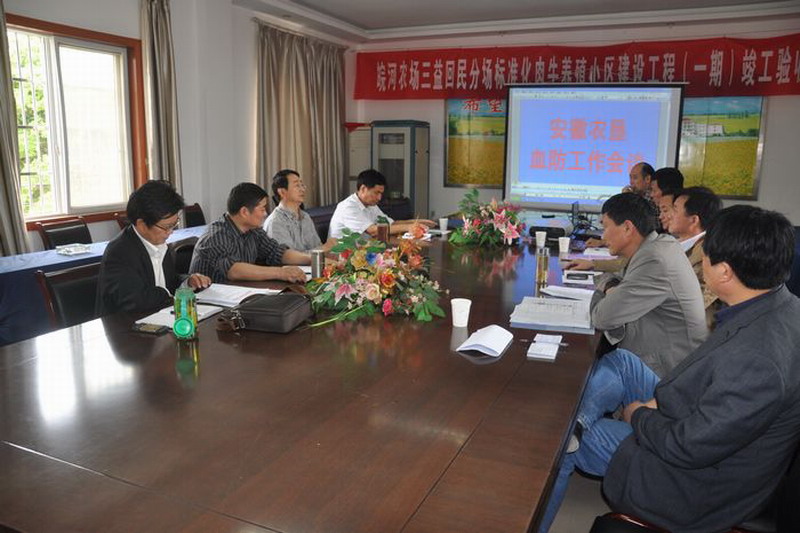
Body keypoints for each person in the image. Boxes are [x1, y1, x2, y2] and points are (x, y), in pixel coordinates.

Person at [539, 205, 800, 533]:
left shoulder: (758, 360)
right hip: (699, 420)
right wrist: (658, 403)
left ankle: (568, 443)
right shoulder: (780, 307)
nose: (700, 265)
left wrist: (639, 415)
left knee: (557, 444)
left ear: (724, 272)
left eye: (706, 257)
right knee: (623, 362)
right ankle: (578, 424)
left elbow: (688, 445)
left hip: (694, 482)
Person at [588, 193, 707, 377]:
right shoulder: (656, 246)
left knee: (581, 377)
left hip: (669, 373)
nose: (603, 235)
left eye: (605, 227)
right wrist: (611, 285)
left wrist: (606, 287)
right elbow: (614, 278)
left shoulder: (655, 259)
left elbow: (602, 318)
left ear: (627, 227)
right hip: (659, 357)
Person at [96, 180, 211, 315]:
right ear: (142, 224)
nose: (170, 232)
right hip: (124, 324)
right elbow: (135, 301)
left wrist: (188, 283)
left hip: (159, 317)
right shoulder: (120, 253)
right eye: (166, 227)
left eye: (174, 224)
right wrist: (169, 295)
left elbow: (169, 282)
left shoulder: (158, 242)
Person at [190, 182, 309, 283]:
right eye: (262, 209)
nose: (265, 214)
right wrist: (281, 273)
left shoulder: (254, 230)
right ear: (244, 212)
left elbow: (276, 252)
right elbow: (233, 270)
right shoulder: (216, 235)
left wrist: (311, 259)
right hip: (208, 300)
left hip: (240, 293)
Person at [669, 186, 723, 326]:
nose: (669, 215)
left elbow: (698, 303)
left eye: (675, 210)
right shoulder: (674, 244)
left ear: (693, 220)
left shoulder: (709, 253)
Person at [328, 169, 434, 239]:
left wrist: (417, 222)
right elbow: (373, 231)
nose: (379, 198)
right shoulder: (348, 207)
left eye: (381, 193)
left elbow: (390, 224)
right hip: (341, 258)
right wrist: (409, 227)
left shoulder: (371, 205)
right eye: (376, 193)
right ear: (363, 189)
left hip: (363, 252)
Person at [263, 169, 336, 252]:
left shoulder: (305, 217)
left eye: (302, 185)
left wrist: (329, 249)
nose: (302, 189)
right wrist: (323, 249)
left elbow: (317, 247)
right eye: (297, 185)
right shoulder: (275, 222)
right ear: (282, 192)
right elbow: (287, 257)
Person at [587, 162, 656, 247]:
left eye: (635, 178)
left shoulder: (651, 199)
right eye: (630, 178)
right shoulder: (639, 197)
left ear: (647, 179)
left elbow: (636, 230)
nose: (631, 182)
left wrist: (627, 199)